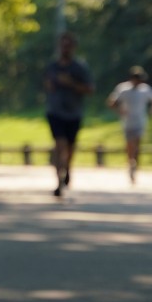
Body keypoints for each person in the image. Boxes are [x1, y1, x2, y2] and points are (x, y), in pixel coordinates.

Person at [43, 31, 93, 197]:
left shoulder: (80, 67)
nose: (65, 48)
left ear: (74, 47)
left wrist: (71, 83)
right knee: (59, 145)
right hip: (55, 112)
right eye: (63, 45)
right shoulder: (52, 66)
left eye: (68, 45)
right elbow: (47, 85)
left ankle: (67, 168)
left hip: (73, 113)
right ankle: (58, 181)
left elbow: (89, 89)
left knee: (70, 146)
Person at [107, 66, 152, 183]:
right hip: (127, 121)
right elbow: (111, 102)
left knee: (137, 143)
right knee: (129, 143)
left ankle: (135, 164)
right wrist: (119, 110)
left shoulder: (145, 89)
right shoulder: (123, 89)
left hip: (140, 121)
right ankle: (130, 162)